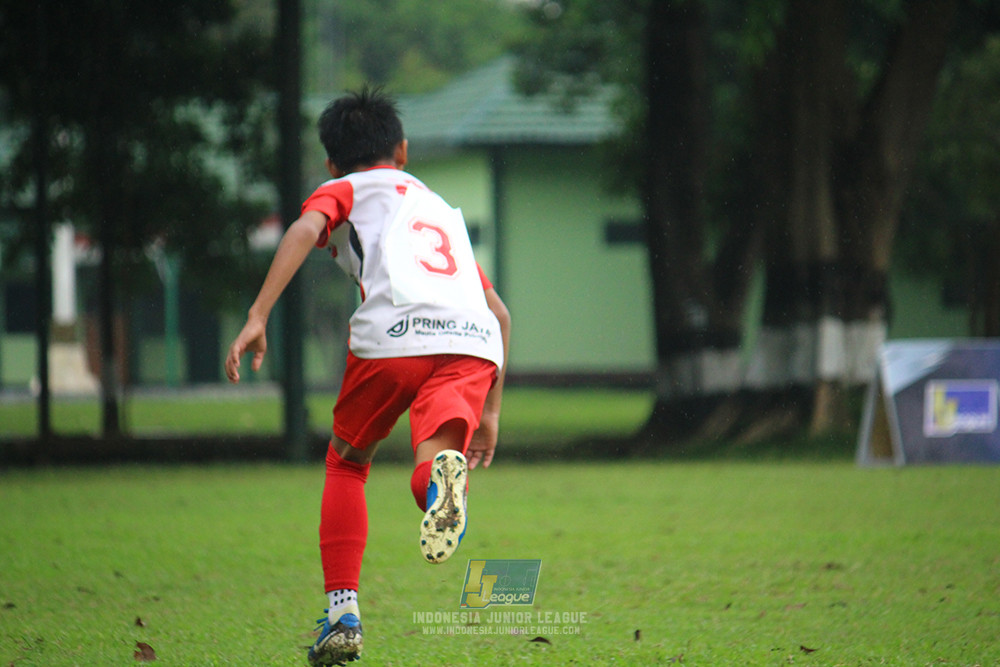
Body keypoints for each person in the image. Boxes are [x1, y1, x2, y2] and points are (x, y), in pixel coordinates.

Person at [224, 87, 510, 666]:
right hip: (472, 342)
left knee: (348, 462)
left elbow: (305, 230)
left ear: (331, 163)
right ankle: (440, 483)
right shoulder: (436, 207)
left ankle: (344, 615)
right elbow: (499, 312)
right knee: (431, 462)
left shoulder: (344, 189)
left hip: (395, 338)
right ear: (401, 150)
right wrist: (492, 413)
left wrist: (257, 315)